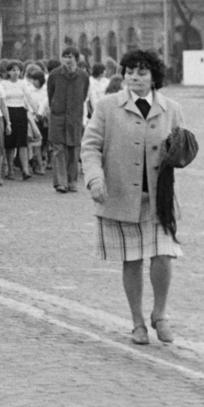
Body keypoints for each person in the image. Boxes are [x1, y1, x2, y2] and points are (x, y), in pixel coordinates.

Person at [81, 49, 187, 345]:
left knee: (164, 255)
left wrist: (181, 152)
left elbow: (181, 147)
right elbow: (90, 147)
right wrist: (94, 178)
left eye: (141, 72)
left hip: (159, 197)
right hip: (122, 196)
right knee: (132, 260)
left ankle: (160, 314)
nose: (134, 78)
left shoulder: (172, 109)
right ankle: (138, 321)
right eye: (129, 72)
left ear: (154, 77)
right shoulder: (107, 107)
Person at [47, 46, 91, 193]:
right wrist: (55, 108)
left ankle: (72, 180)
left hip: (75, 118)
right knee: (58, 150)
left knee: (74, 149)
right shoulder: (54, 75)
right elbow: (50, 94)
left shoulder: (83, 76)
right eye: (65, 56)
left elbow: (84, 95)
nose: (67, 59)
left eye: (70, 56)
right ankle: (61, 182)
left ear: (76, 59)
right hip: (58, 117)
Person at [0, 61, 33, 181]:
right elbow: (1, 100)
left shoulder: (23, 83)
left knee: (22, 143)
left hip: (21, 112)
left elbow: (28, 96)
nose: (15, 72)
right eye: (13, 70)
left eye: (18, 70)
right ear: (8, 72)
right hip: (8, 113)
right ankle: (10, 169)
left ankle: (25, 169)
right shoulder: (3, 84)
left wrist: (34, 110)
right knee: (10, 143)